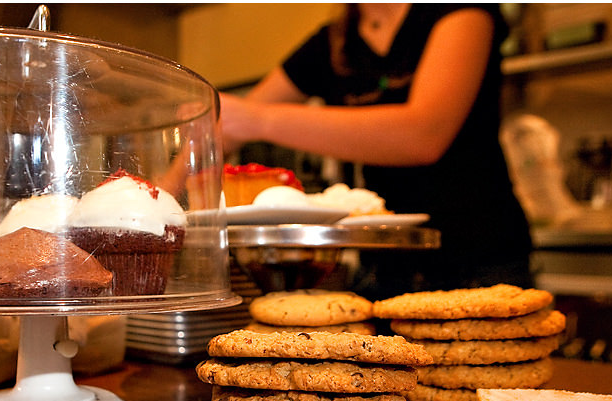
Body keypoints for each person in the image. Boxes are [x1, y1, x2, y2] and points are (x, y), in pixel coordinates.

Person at [219, 3, 535, 299]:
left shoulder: (459, 11)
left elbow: (424, 135)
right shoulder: (335, 42)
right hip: (383, 270)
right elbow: (222, 127)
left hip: (480, 262)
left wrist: (257, 120)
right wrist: (170, 211)